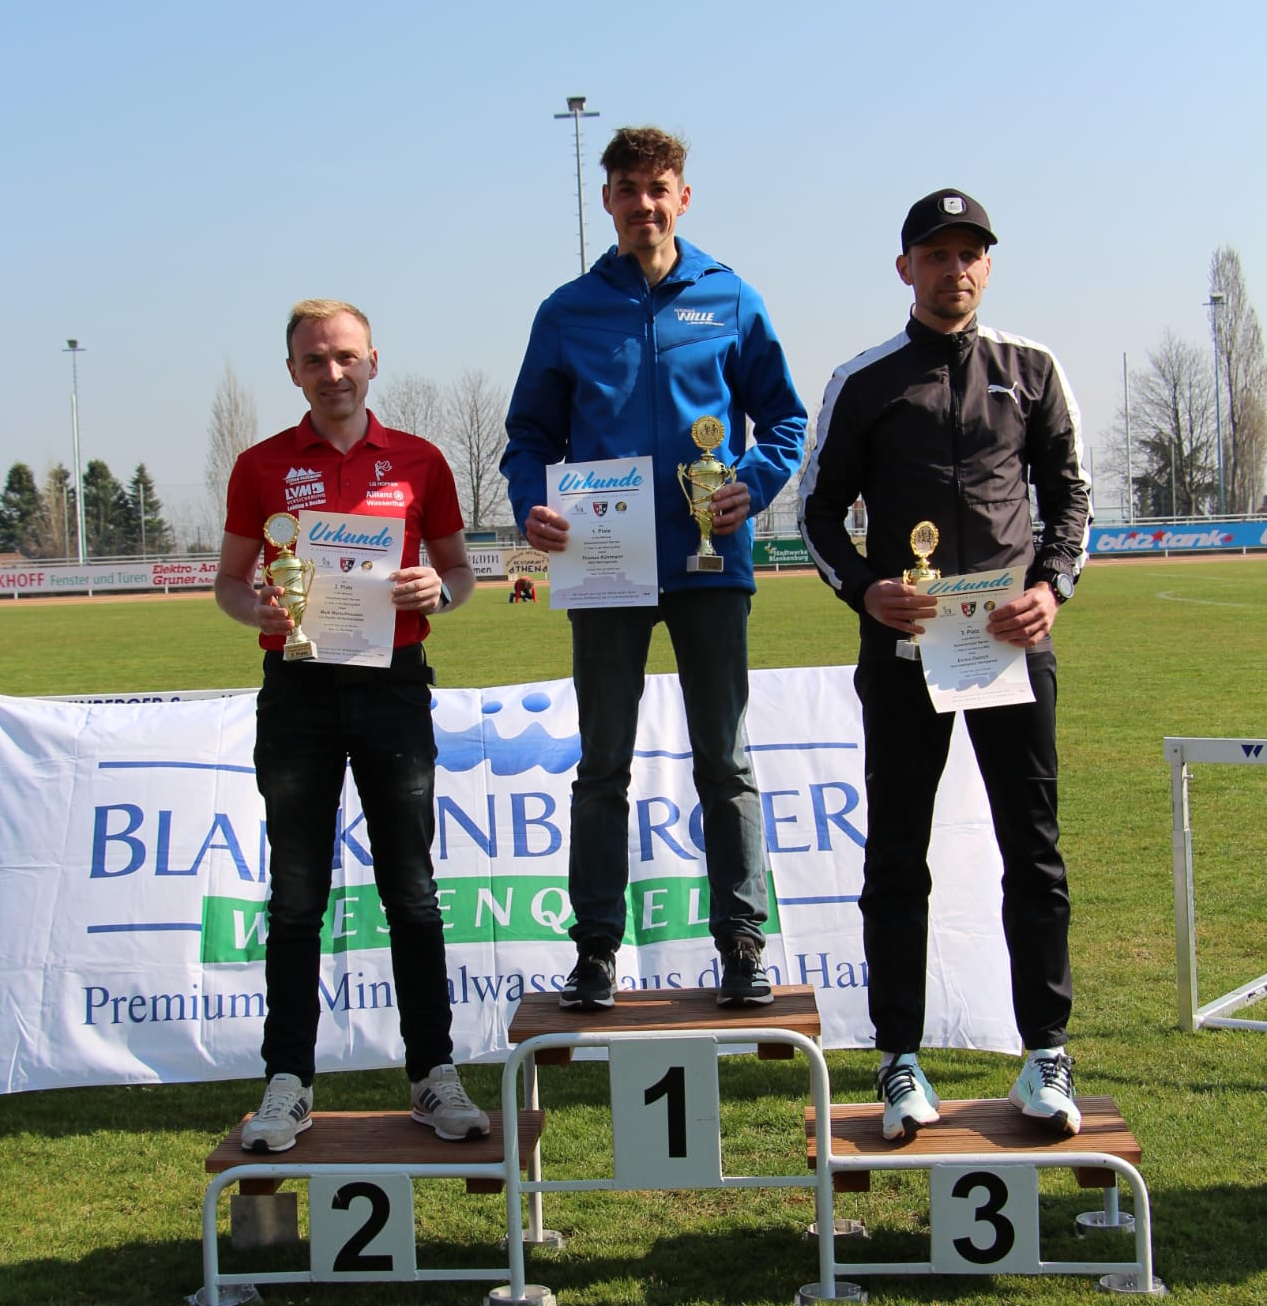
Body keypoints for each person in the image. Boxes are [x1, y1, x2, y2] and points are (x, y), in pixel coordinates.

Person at [800, 190, 1091, 1140]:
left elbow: (1071, 495)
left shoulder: (1031, 368)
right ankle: (898, 1057)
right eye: (935, 254)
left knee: (1032, 851)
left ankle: (1045, 1054)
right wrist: (865, 589)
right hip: (904, 647)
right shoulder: (863, 379)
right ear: (905, 269)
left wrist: (1051, 587)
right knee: (896, 855)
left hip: (1011, 645)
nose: (953, 269)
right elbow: (814, 512)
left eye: (969, 253)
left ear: (987, 266)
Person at [500, 125, 806, 1011]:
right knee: (602, 766)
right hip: (605, 568)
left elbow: (784, 420)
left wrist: (750, 482)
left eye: (658, 187)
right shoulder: (566, 310)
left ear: (683, 197)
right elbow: (528, 437)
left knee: (726, 762)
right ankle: (595, 950)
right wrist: (531, 504)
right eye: (628, 188)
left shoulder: (731, 296)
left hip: (711, 564)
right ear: (607, 200)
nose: (644, 203)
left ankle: (741, 944)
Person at [215, 299, 489, 1151]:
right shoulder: (259, 465)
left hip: (392, 688)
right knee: (296, 896)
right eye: (313, 360)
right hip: (296, 690)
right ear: (292, 373)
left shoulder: (421, 460)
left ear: (373, 361)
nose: (331, 373)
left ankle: (432, 1072)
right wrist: (258, 607)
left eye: (344, 357)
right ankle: (288, 1081)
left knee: (412, 890)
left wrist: (437, 590)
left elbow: (458, 571)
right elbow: (228, 582)